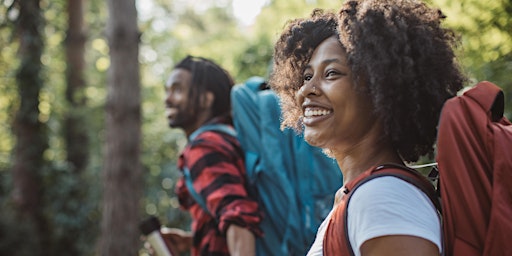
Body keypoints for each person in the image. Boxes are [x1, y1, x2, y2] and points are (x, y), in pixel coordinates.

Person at [270, 1, 466, 255]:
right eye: (307, 76)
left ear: (381, 89)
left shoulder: (382, 198)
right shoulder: (362, 196)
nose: (306, 90)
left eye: (331, 73)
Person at [161, 55, 262, 256]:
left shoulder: (205, 147)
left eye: (178, 90)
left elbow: (237, 215)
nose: (168, 99)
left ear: (207, 99)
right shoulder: (231, 138)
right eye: (168, 90)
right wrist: (191, 242)